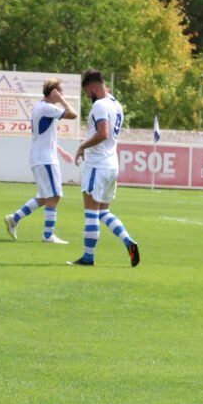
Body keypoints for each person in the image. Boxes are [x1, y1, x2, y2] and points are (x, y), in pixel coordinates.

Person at [68, 69, 139, 267]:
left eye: (87, 92)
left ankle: (88, 257)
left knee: (91, 212)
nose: (88, 96)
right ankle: (129, 242)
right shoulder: (116, 104)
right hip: (111, 164)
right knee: (103, 213)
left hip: (98, 164)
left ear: (91, 87)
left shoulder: (99, 105)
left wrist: (82, 146)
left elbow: (103, 133)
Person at [4, 78, 77, 244]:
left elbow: (44, 136)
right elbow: (73, 114)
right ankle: (48, 235)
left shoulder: (40, 107)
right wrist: (62, 100)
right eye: (60, 91)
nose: (62, 93)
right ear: (54, 92)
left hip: (43, 157)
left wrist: (61, 151)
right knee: (54, 195)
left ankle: (14, 219)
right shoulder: (47, 107)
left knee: (46, 196)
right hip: (45, 159)